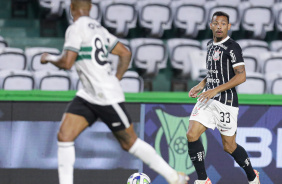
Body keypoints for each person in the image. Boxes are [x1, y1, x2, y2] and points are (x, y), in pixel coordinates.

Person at [40, 0, 189, 184]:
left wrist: (49, 58)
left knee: (130, 142)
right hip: (88, 94)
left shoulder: (75, 28)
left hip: (105, 96)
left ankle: (174, 177)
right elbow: (125, 53)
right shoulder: (99, 29)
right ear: (90, 8)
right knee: (64, 135)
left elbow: (67, 63)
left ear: (71, 8)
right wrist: (117, 77)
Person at [187, 11, 260, 184]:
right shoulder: (209, 45)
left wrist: (216, 90)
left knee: (229, 146)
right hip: (207, 99)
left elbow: (241, 76)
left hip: (226, 102)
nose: (219, 26)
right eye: (216, 23)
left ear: (229, 26)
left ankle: (252, 175)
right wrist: (202, 84)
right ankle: (203, 180)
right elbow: (215, 72)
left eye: (223, 23)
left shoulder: (233, 47)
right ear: (211, 25)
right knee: (191, 134)